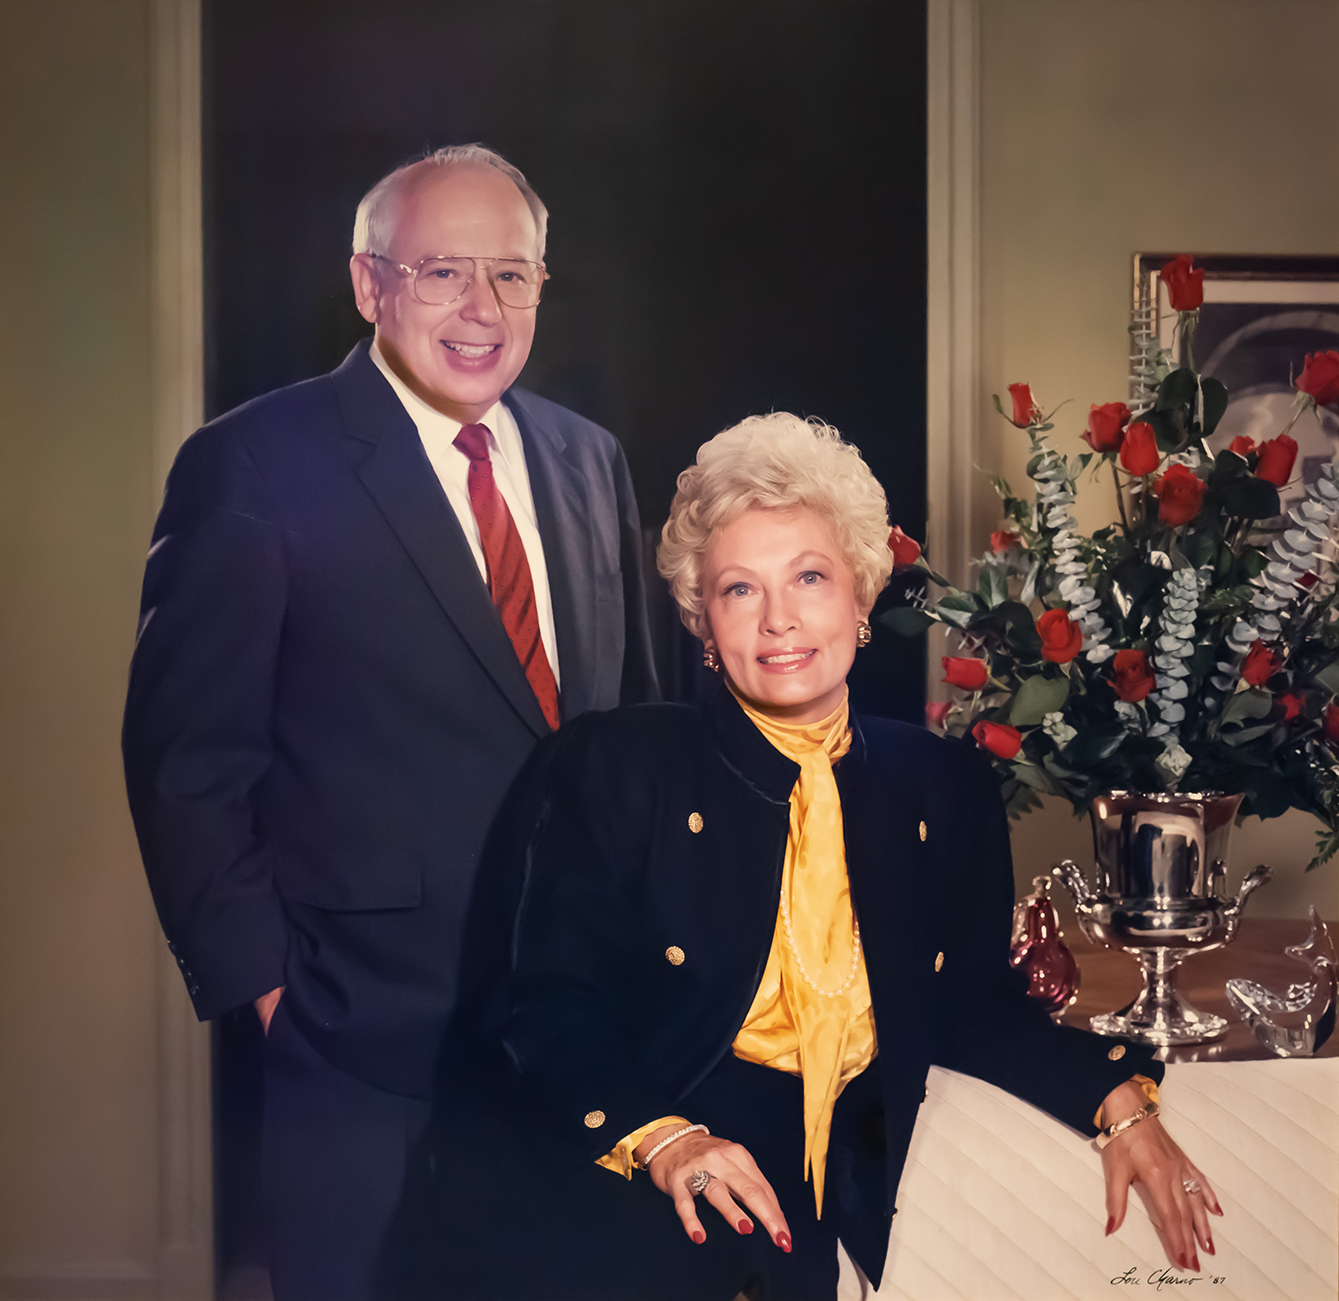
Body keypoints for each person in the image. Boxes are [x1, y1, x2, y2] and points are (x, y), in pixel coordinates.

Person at [436, 413, 1220, 1301]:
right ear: (704, 622)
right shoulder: (613, 764)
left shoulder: (944, 781)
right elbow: (544, 1008)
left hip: (840, 1185)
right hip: (635, 1178)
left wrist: (1115, 1100)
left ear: (859, 596)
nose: (779, 619)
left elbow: (971, 1007)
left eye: (808, 577)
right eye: (739, 588)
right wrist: (666, 1139)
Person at [121, 144, 658, 1301]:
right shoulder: (252, 465)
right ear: (370, 284)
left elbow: (632, 734)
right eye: (443, 273)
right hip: (359, 1046)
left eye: (511, 274)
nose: (482, 310)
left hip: (578, 1036)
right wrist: (274, 997)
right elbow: (186, 763)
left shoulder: (588, 459)